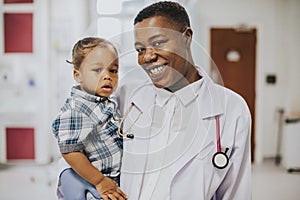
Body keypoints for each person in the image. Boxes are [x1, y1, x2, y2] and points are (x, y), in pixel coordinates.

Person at [116, 1, 252, 199]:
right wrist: (66, 172)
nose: (147, 57)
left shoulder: (231, 108)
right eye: (139, 49)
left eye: (158, 43)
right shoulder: (127, 96)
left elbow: (236, 192)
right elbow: (79, 133)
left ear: (186, 37)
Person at [52, 37, 127, 200]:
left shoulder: (104, 102)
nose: (107, 76)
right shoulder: (76, 110)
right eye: (97, 70)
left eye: (113, 70)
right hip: (95, 183)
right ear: (78, 75)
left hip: (110, 179)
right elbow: (70, 151)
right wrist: (99, 181)